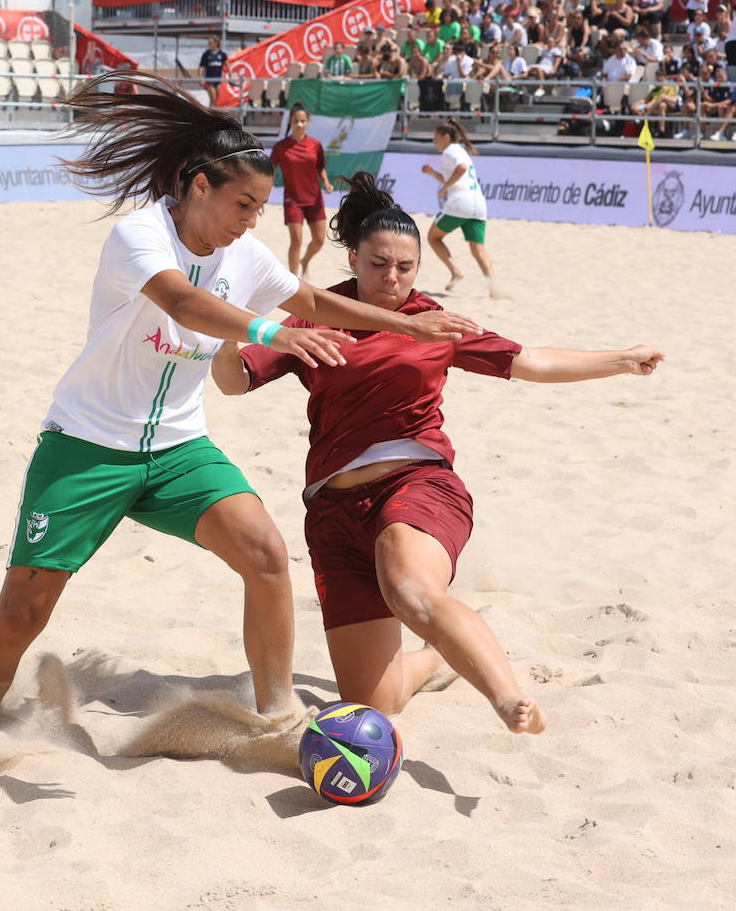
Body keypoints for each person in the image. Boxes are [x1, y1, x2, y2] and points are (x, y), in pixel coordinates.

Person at [0, 72, 483, 721]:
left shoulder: (247, 255)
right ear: (200, 187)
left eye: (261, 208)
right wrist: (270, 332)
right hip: (89, 444)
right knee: (21, 615)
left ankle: (276, 714)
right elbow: (184, 301)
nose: (252, 221)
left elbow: (316, 301)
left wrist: (409, 323)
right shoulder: (141, 236)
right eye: (244, 205)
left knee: (266, 554)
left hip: (179, 449)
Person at [212, 172, 664, 732]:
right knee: (375, 701)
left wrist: (621, 359)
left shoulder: (434, 322)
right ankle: (436, 657)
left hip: (416, 486)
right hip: (331, 515)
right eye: (379, 264)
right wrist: (222, 326)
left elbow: (531, 361)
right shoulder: (318, 313)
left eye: (405, 267)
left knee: (409, 590)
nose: (393, 277)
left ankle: (506, 699)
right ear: (353, 259)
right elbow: (234, 382)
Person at [421, 120, 502, 298]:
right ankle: (494, 288)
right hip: (479, 204)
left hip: (460, 203)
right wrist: (432, 173)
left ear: (446, 137)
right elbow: (457, 175)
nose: (435, 144)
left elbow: (462, 169)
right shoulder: (461, 151)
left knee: (433, 237)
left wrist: (444, 189)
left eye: (436, 139)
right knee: (478, 250)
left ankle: (456, 271)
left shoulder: (450, 151)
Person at [270, 103, 335, 277]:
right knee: (296, 240)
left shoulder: (315, 144)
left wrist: (327, 183)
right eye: (296, 121)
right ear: (290, 122)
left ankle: (305, 260)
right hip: (293, 199)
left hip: (314, 198)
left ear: (307, 122)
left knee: (320, 240)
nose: (299, 124)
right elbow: (269, 169)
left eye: (303, 121)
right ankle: (293, 280)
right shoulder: (280, 147)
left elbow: (320, 167)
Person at [198, 36, 227, 106]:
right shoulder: (206, 54)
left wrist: (231, 73)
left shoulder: (222, 54)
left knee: (217, 99)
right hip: (209, 79)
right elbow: (201, 67)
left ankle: (212, 113)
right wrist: (201, 78)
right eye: (208, 43)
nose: (209, 44)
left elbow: (227, 63)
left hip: (218, 79)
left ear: (216, 43)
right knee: (213, 98)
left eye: (210, 42)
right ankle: (210, 114)